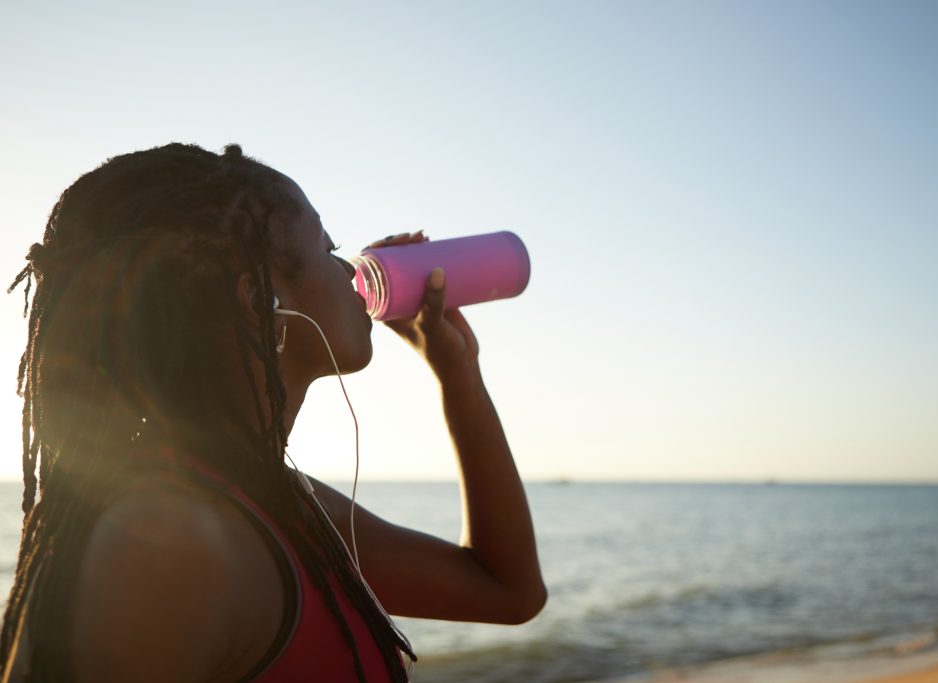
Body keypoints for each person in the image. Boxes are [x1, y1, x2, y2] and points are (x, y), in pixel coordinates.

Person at [0, 143, 546, 682]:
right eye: (329, 251)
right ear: (260, 300)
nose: (351, 273)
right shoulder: (171, 540)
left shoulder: (277, 501)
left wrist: (459, 371)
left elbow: (508, 591)